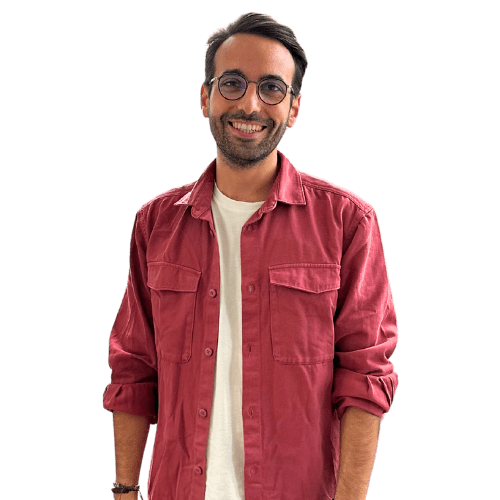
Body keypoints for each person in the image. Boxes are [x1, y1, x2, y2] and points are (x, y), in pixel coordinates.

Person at [102, 12, 399, 500]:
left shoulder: (348, 223)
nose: (250, 104)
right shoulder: (155, 224)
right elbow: (134, 368)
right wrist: (124, 489)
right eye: (233, 83)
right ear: (205, 97)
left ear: (294, 108)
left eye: (272, 88)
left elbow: (366, 376)